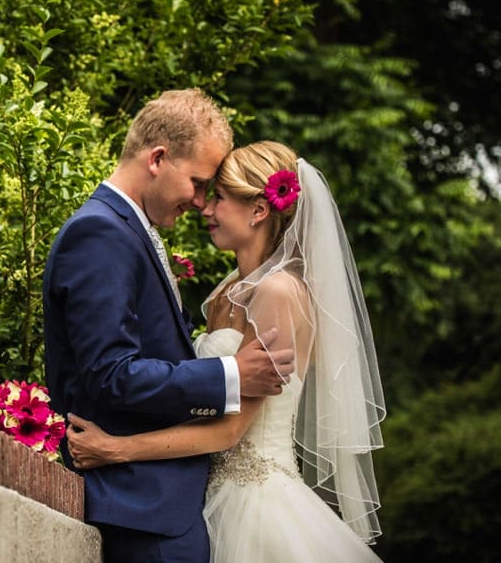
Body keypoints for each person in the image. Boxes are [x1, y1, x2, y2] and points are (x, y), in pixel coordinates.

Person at [66, 141, 387, 562]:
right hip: (202, 496)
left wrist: (116, 449)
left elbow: (231, 430)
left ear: (258, 210)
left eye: (218, 197)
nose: (205, 209)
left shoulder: (278, 292)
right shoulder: (227, 291)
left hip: (254, 501)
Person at [42, 92, 295, 562]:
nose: (200, 204)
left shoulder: (130, 231)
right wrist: (230, 374)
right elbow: (110, 374)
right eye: (200, 184)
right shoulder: (102, 232)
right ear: (158, 159)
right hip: (144, 509)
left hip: (169, 504)